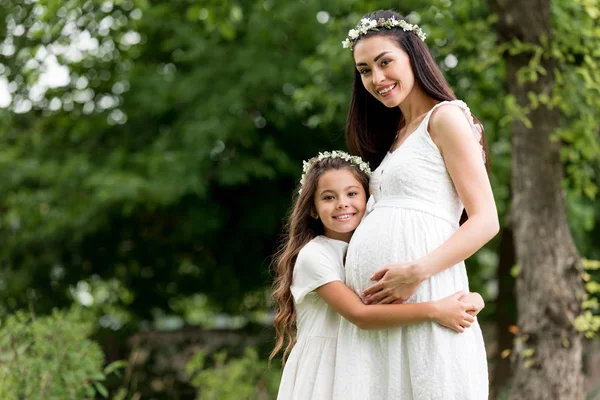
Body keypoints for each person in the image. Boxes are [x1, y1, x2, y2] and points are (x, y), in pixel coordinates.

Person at [333, 10, 500, 400]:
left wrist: (416, 272)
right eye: (364, 70)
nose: (376, 78)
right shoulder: (393, 138)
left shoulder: (445, 118)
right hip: (385, 316)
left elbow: (486, 219)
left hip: (425, 290)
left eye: (385, 62)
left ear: (413, 56)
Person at [270, 151, 485, 400]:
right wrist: (435, 310)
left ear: (369, 199)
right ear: (314, 210)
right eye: (328, 197)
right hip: (323, 367)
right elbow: (360, 314)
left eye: (352, 194)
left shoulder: (361, 249)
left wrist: (474, 299)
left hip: (358, 361)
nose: (342, 203)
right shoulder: (314, 256)